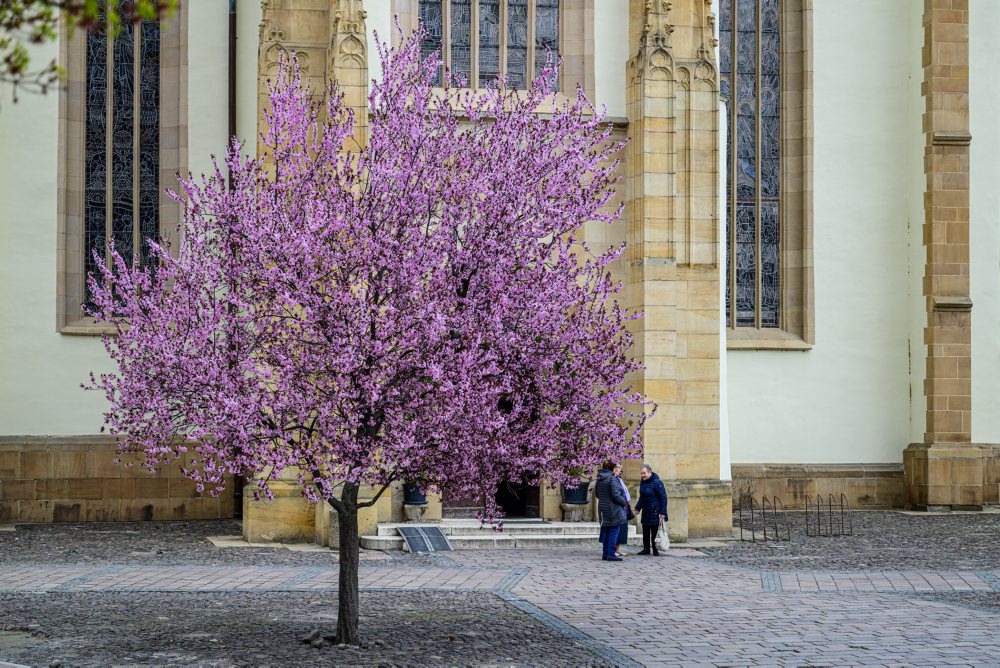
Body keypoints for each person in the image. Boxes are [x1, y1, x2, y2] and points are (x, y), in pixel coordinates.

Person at [594, 460, 628, 561]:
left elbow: (597, 494)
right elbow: (616, 495)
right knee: (613, 531)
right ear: (612, 469)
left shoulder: (599, 479)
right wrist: (624, 502)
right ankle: (611, 554)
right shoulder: (612, 479)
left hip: (602, 508)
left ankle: (605, 554)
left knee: (606, 531)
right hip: (613, 509)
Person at [633, 463, 668, 556]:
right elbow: (642, 497)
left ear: (650, 472)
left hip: (655, 511)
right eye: (641, 473)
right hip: (646, 510)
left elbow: (663, 498)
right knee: (645, 531)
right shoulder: (643, 482)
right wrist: (637, 508)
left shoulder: (657, 482)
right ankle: (646, 549)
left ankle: (655, 550)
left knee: (654, 532)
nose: (643, 475)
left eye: (644, 473)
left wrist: (662, 512)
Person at [613, 463, 632, 557]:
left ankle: (617, 548)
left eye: (620, 467)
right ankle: (613, 549)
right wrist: (623, 501)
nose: (618, 469)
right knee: (616, 528)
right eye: (617, 467)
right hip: (617, 507)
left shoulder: (619, 480)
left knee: (622, 529)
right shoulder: (612, 479)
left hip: (623, 507)